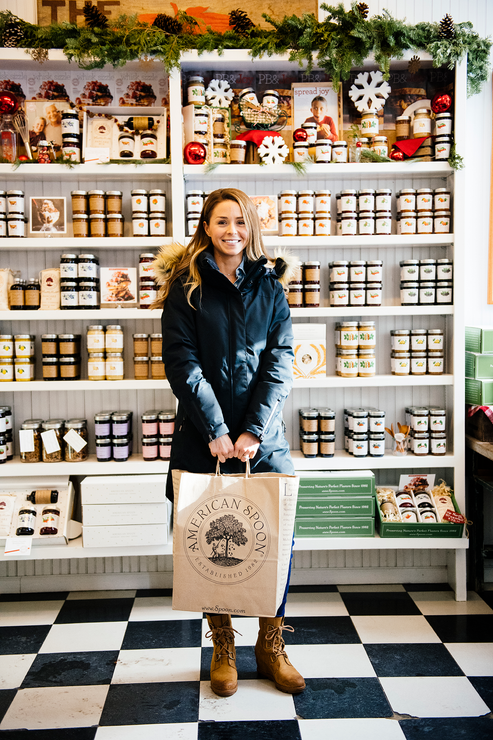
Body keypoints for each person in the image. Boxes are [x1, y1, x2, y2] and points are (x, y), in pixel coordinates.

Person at [153, 187, 305, 698]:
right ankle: (223, 647)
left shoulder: (272, 286)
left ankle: (270, 645)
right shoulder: (186, 287)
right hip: (203, 437)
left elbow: (280, 361)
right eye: (222, 222)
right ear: (206, 226)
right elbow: (183, 364)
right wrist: (217, 429)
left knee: (273, 539)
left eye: (240, 222)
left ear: (252, 227)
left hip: (264, 440)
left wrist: (253, 431)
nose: (232, 231)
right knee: (210, 543)